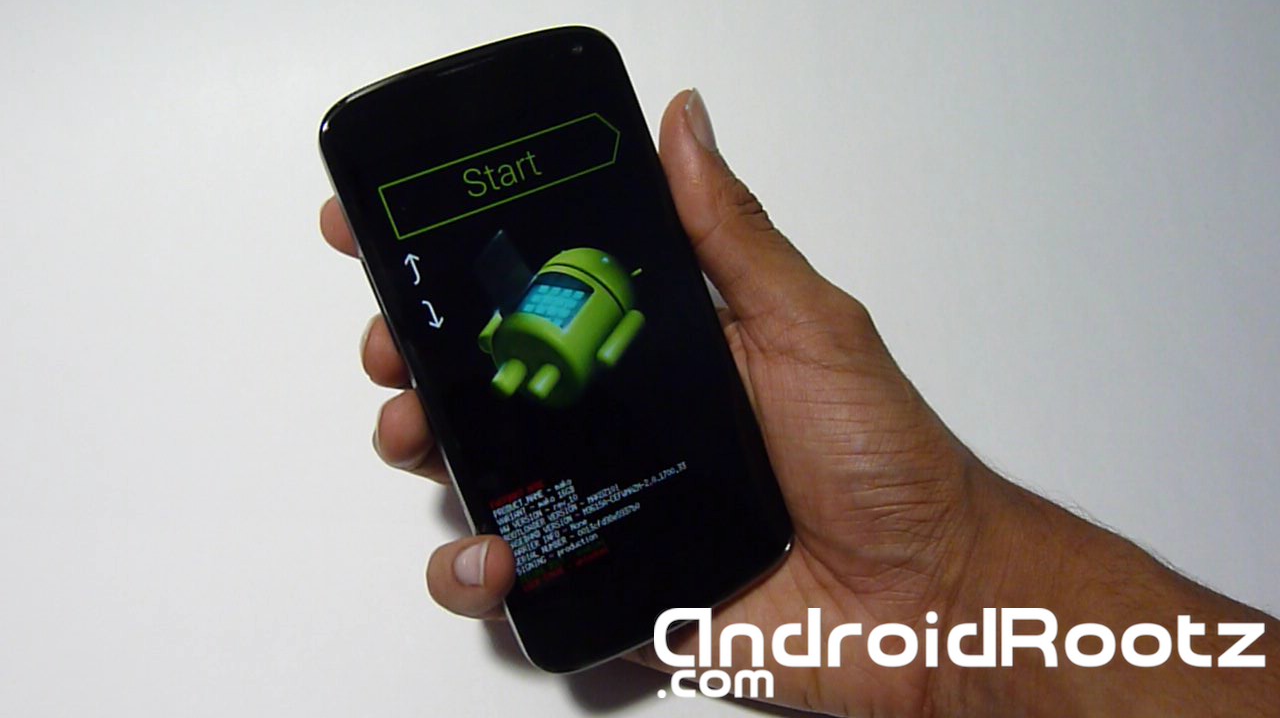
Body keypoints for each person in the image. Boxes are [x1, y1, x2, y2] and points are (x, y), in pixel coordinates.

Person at [320, 89, 1279, 716]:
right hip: (614, 410)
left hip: (809, 551)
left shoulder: (589, 308)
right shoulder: (554, 313)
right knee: (472, 405)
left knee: (491, 395)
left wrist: (957, 576)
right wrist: (952, 586)